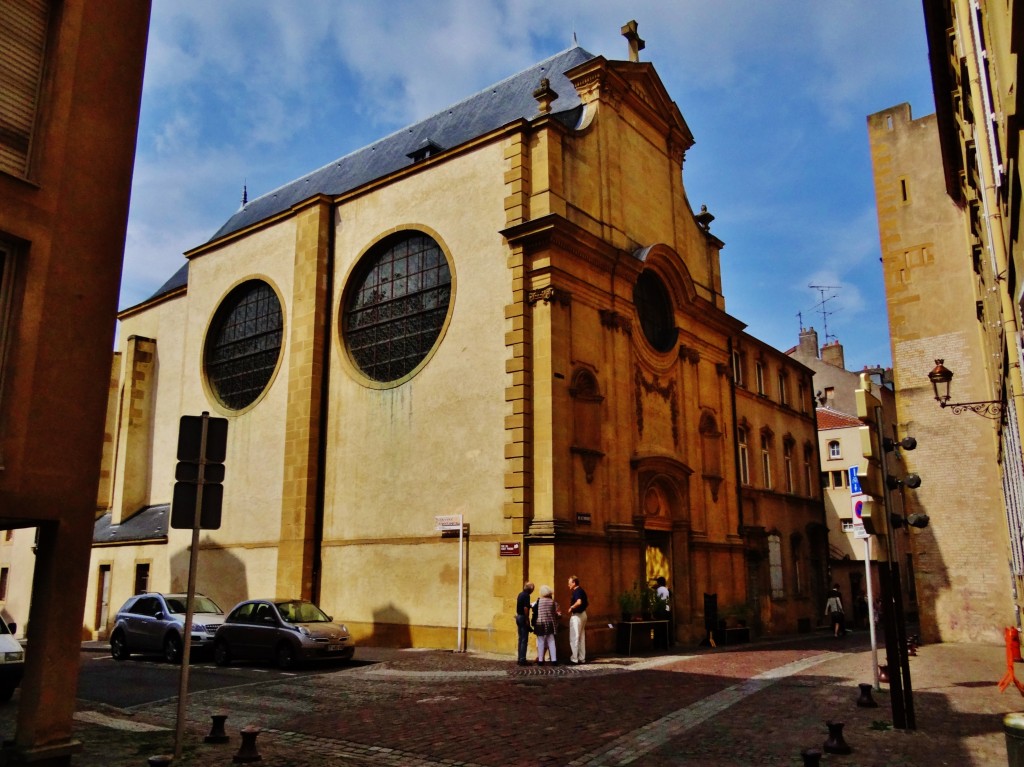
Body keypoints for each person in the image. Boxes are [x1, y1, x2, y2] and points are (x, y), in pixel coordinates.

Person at [533, 585, 561, 665]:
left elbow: (534, 610)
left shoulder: (538, 602)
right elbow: (557, 613)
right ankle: (554, 660)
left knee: (540, 641)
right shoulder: (553, 602)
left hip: (540, 623)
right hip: (550, 623)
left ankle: (541, 660)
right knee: (551, 641)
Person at [567, 575, 588, 664]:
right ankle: (582, 658)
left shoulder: (577, 591)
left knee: (574, 637)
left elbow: (579, 602)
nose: (568, 585)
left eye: (569, 583)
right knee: (581, 637)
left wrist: (571, 607)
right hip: (583, 614)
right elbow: (586, 603)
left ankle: (574, 658)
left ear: (574, 583)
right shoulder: (582, 591)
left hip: (577, 616)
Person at [515, 581, 534, 665]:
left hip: (518, 616)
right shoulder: (526, 595)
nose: (533, 590)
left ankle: (519, 658)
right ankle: (522, 660)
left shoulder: (520, 594)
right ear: (530, 589)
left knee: (520, 638)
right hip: (523, 617)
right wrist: (527, 620)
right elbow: (525, 608)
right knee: (524, 639)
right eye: (533, 588)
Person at [654, 576, 672, 646]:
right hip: (667, 609)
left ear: (659, 582)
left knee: (659, 628)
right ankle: (667, 643)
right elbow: (670, 597)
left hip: (660, 610)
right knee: (666, 627)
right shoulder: (667, 589)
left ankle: (658, 644)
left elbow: (656, 599)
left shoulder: (658, 589)